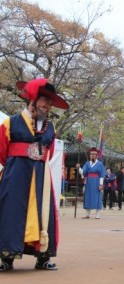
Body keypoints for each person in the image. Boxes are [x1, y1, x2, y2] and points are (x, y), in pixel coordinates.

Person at [0, 78, 69, 271]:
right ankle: (7, 258)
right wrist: (17, 165)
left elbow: (49, 151)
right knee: (12, 213)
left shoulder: (51, 129)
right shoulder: (10, 123)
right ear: (33, 99)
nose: (47, 105)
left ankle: (43, 257)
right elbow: (2, 151)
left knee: (43, 213)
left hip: (41, 177)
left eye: (50, 102)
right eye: (44, 100)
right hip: (15, 175)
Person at [77, 148, 106, 219]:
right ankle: (87, 213)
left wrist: (101, 184)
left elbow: (102, 175)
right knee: (87, 196)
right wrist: (79, 168)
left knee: (97, 197)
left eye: (94, 154)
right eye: (91, 154)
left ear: (97, 155)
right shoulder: (87, 164)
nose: (92, 155)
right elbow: (83, 172)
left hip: (96, 181)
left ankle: (98, 213)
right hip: (89, 182)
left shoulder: (100, 164)